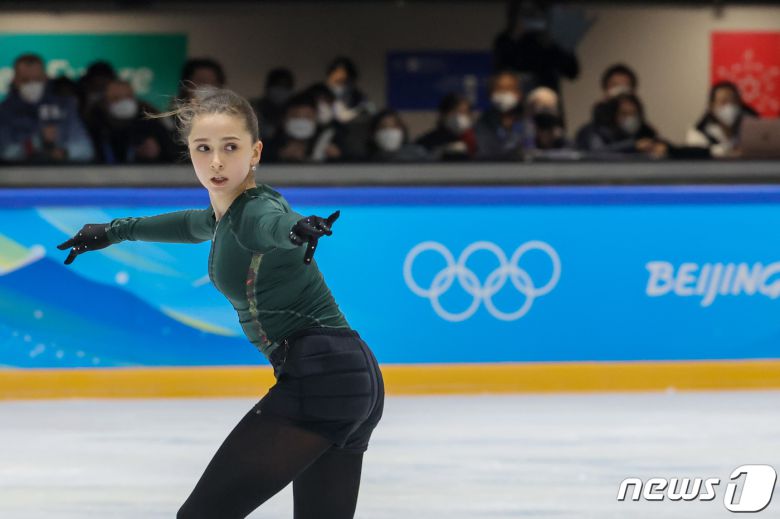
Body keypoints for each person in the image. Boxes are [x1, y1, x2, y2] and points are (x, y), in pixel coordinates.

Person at [55, 87, 384, 519]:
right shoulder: (227, 213)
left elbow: (271, 225)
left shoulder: (254, 211)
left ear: (255, 152)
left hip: (321, 375)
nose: (215, 161)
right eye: (203, 148)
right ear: (189, 152)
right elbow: (191, 224)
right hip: (354, 375)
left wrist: (297, 228)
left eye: (230, 148)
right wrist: (114, 231)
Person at [0, 53, 94, 163]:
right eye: (25, 80)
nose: (32, 84)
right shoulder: (5, 111)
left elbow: (86, 149)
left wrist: (64, 153)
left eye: (37, 79)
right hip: (20, 177)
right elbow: (5, 152)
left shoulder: (64, 106)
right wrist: (36, 142)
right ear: (15, 80)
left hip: (62, 176)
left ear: (46, 78)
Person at [492, 0, 579, 95]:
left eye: (536, 14)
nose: (532, 20)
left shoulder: (552, 40)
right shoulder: (505, 40)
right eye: (527, 14)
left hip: (546, 99)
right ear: (515, 15)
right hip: (517, 98)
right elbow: (500, 71)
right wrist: (515, 36)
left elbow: (572, 72)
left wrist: (553, 43)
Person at [84, 79, 177, 164]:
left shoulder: (150, 123)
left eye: (128, 97)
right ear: (104, 103)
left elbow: (173, 155)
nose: (124, 102)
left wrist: (156, 153)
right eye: (116, 98)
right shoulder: (94, 126)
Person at [576, 93, 667, 158]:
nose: (630, 118)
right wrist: (633, 146)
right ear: (613, 115)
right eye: (624, 114)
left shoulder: (646, 132)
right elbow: (595, 154)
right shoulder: (598, 132)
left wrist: (661, 149)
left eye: (634, 114)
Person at [685, 81, 758, 159]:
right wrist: (726, 151)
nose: (730, 106)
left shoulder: (749, 134)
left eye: (734, 101)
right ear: (711, 107)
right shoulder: (698, 135)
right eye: (723, 102)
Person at [575, 63, 638, 149]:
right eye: (615, 87)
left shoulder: (644, 131)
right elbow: (597, 154)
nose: (620, 92)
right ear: (605, 91)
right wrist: (633, 145)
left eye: (625, 87)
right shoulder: (590, 132)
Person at [473, 70, 529, 160]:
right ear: (490, 92)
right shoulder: (483, 122)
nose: (504, 93)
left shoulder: (528, 120)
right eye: (499, 88)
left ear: (519, 93)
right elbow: (486, 151)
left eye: (509, 88)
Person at [416, 93, 477, 161]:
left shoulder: (478, 140)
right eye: (457, 112)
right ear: (444, 114)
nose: (461, 117)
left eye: (466, 112)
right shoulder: (428, 140)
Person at [251, 67, 295, 143]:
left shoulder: (294, 110)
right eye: (277, 85)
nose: (280, 90)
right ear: (268, 87)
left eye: (285, 86)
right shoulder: (255, 107)